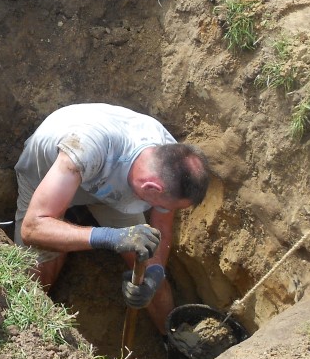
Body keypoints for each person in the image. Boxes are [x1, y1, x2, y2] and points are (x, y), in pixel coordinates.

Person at [14, 103, 210, 333]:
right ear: (152, 188)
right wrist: (110, 237)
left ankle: (172, 339)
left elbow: (162, 226)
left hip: (111, 193)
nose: (160, 210)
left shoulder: (169, 164)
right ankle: (29, 334)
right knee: (34, 275)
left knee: (148, 269)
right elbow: (33, 228)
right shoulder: (86, 147)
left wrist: (155, 274)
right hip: (48, 177)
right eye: (159, 205)